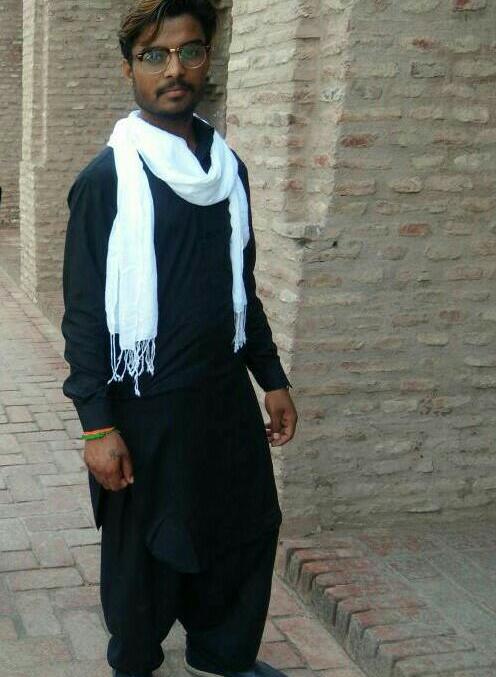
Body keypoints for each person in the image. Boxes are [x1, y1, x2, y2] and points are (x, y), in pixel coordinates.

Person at [60, 1, 298, 676]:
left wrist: (271, 377)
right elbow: (83, 316)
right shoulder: (107, 180)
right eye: (155, 56)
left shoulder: (228, 171)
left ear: (208, 59)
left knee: (245, 528)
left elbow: (240, 287)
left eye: (189, 51)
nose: (174, 69)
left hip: (222, 395)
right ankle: (136, 662)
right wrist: (96, 426)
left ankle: (221, 655)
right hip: (146, 404)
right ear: (130, 68)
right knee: (145, 555)